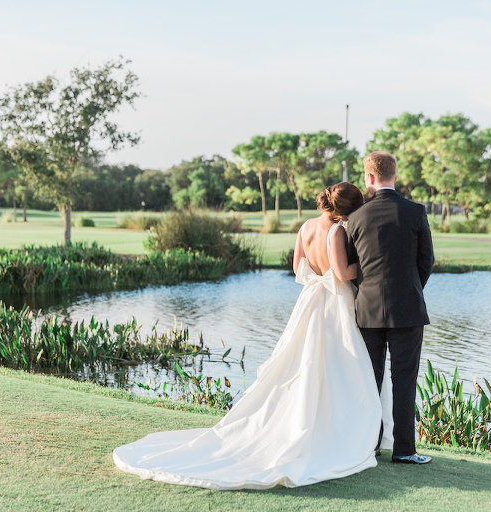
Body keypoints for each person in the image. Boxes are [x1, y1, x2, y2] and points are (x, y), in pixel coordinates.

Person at [113, 182, 392, 490]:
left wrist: (319, 274)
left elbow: (299, 267)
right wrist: (367, 265)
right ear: (348, 210)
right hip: (333, 304)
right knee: (339, 366)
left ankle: (317, 423)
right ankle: (337, 430)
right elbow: (341, 273)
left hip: (310, 301)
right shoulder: (337, 231)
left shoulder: (306, 227)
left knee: (306, 364)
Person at [346, 151, 434, 464]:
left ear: (369, 178)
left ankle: (368, 446)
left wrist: (366, 292)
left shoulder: (355, 218)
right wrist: (410, 289)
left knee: (370, 380)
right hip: (408, 309)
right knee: (404, 380)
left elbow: (350, 266)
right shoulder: (415, 211)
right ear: (394, 175)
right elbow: (427, 261)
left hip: (367, 310)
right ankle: (405, 451)